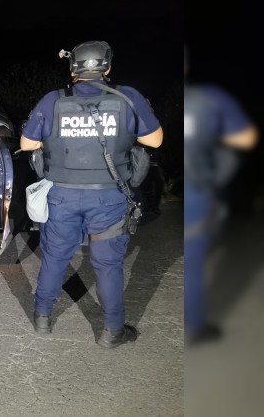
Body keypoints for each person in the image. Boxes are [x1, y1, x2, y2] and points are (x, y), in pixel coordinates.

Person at [19, 41, 164, 348]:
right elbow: (155, 140)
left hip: (61, 196)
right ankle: (112, 332)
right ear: (107, 67)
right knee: (107, 265)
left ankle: (43, 318)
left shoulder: (52, 100)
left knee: (55, 258)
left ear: (72, 68)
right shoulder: (128, 97)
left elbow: (28, 145)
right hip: (109, 198)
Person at [183, 46, 258, 345]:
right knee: (192, 264)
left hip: (185, 190)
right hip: (198, 191)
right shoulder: (208, 99)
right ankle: (194, 327)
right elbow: (246, 138)